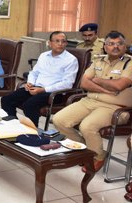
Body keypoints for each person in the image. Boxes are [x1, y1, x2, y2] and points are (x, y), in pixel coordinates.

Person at [53, 31, 132, 173]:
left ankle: (98, 156)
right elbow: (84, 83)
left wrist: (97, 80)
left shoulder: (129, 63)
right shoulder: (98, 60)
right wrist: (106, 89)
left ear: (125, 46)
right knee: (59, 120)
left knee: (87, 126)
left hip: (114, 108)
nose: (115, 47)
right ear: (105, 46)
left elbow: (120, 85)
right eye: (111, 44)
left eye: (119, 44)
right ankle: (85, 150)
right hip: (89, 100)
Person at [1, 31, 78, 127]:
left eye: (63, 41)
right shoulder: (43, 55)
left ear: (66, 43)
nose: (60, 44)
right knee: (6, 100)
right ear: (49, 43)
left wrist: (43, 90)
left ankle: (32, 133)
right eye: (57, 41)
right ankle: (13, 125)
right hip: (36, 87)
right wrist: (30, 83)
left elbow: (67, 84)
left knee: (29, 105)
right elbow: (34, 72)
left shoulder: (71, 60)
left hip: (54, 93)